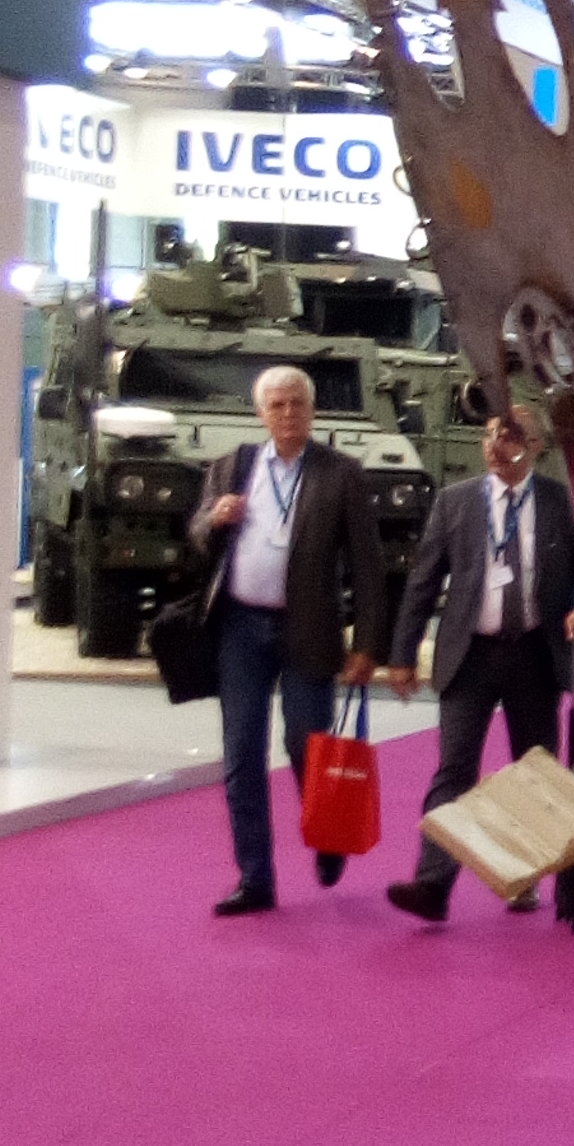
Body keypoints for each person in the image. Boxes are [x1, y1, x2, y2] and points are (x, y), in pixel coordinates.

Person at [379, 406, 574, 923]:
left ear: (536, 446)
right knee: (453, 770)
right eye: (490, 435)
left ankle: (522, 878)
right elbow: (423, 582)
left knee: (534, 773)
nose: (497, 445)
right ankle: (432, 884)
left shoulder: (561, 503)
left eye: (511, 436)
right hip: (469, 656)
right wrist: (402, 654)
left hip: (535, 654)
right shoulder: (454, 501)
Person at [186, 361, 383, 917]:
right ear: (261, 414)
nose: (289, 413)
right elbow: (195, 532)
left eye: (297, 403)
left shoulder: (341, 474)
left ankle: (326, 836)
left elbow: (368, 567)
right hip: (240, 629)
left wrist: (368, 645)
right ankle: (254, 879)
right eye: (277, 405)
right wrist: (214, 518)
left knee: (306, 745)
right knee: (241, 753)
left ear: (312, 411)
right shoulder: (233, 466)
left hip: (309, 629)